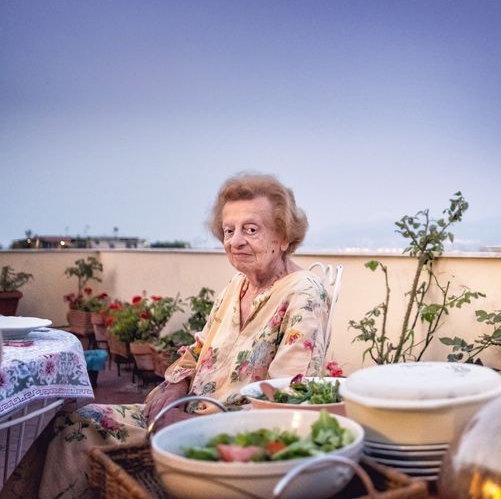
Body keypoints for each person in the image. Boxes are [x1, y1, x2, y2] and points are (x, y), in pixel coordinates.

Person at [1, 173, 331, 499]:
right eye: (229, 231)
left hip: (227, 440)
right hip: (180, 414)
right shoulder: (238, 285)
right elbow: (201, 348)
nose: (235, 241)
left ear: (284, 237)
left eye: (251, 229)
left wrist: (190, 424)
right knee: (61, 423)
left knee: (72, 433)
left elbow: (289, 397)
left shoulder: (304, 293)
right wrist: (175, 385)